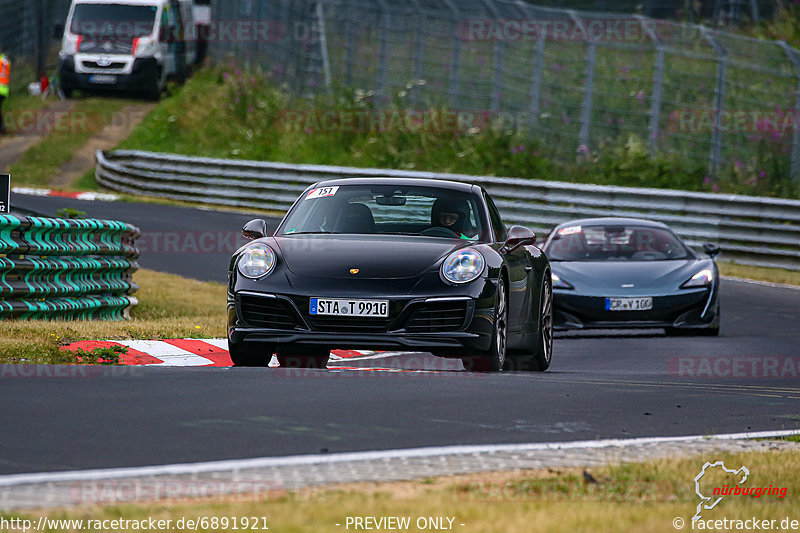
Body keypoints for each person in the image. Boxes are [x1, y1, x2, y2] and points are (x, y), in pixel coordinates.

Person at [0, 46, 9, 134]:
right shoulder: (4, 59)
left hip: (1, 90)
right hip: (4, 89)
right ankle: (2, 128)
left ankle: (2, 128)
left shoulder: (2, 60)